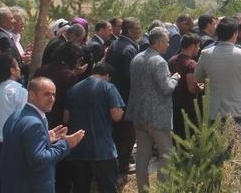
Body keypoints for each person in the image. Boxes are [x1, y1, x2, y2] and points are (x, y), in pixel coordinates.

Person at [0, 77, 85, 193]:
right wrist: (66, 144)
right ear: (31, 95)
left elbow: (20, 147)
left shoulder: (15, 115)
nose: (52, 99)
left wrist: (46, 138)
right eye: (47, 94)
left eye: (54, 95)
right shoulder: (34, 124)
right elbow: (39, 161)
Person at [126, 27, 179, 193]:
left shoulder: (136, 58)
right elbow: (165, 88)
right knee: (167, 154)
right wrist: (174, 78)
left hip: (138, 114)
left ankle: (144, 190)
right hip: (157, 116)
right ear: (159, 42)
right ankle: (163, 189)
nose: (168, 45)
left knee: (142, 155)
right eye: (167, 41)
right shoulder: (160, 62)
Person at [64, 62, 124, 193]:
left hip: (78, 149)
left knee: (80, 188)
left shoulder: (74, 89)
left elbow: (66, 118)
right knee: (108, 188)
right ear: (107, 76)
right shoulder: (109, 87)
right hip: (103, 150)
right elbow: (116, 116)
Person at [33, 42, 85, 193]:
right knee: (61, 167)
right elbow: (70, 104)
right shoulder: (69, 76)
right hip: (60, 124)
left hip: (40, 120)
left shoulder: (41, 70)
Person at [194, 17, 241, 122]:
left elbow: (197, 77)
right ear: (235, 34)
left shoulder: (206, 54)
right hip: (238, 112)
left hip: (214, 113)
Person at [103, 17, 141, 178]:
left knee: (117, 132)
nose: (140, 32)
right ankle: (122, 166)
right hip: (126, 97)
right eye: (138, 29)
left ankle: (116, 164)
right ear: (131, 31)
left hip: (113, 94)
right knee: (127, 133)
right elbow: (133, 77)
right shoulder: (129, 50)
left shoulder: (114, 45)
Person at [0, 53, 27, 144]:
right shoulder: (20, 92)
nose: (19, 69)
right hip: (14, 147)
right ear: (12, 70)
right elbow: (25, 123)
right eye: (17, 66)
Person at [168, 34, 201, 139]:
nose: (199, 49)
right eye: (198, 46)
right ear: (192, 46)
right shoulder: (191, 64)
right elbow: (191, 88)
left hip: (173, 104)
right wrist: (202, 87)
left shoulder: (172, 60)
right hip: (187, 107)